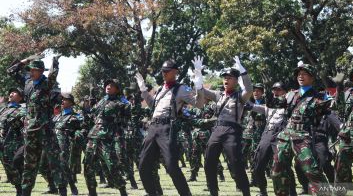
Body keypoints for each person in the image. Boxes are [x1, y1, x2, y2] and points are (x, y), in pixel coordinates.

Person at [135, 59, 203, 196]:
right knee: (143, 164)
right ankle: (151, 193)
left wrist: (199, 84)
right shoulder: (160, 89)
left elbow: (199, 104)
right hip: (153, 127)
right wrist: (143, 90)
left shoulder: (181, 89)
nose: (164, 73)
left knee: (171, 166)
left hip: (167, 128)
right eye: (162, 71)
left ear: (175, 72)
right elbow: (152, 105)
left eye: (167, 71)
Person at [7, 56, 67, 196]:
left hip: (45, 129)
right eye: (30, 70)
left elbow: (53, 74)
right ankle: (25, 192)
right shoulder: (27, 83)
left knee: (54, 162)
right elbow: (10, 71)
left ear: (40, 71)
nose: (31, 72)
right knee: (29, 163)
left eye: (34, 70)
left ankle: (62, 190)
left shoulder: (46, 84)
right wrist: (26, 60)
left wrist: (55, 62)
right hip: (31, 131)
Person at [193, 56, 253, 196]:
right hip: (217, 129)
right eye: (224, 77)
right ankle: (213, 191)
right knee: (208, 162)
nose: (226, 80)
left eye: (230, 77)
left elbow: (249, 89)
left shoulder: (240, 96)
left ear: (236, 81)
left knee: (236, 164)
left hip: (232, 130)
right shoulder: (218, 95)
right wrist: (198, 77)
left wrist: (243, 72)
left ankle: (246, 192)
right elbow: (202, 92)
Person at [271, 63, 330, 196]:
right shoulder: (291, 94)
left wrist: (338, 89)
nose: (300, 76)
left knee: (311, 171)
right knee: (276, 171)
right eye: (299, 74)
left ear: (312, 77)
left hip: (303, 136)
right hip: (286, 135)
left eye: (304, 74)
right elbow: (272, 103)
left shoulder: (319, 96)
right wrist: (274, 91)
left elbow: (329, 108)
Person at [83, 79, 129, 196]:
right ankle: (92, 192)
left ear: (117, 89)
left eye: (112, 85)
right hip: (93, 136)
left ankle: (122, 190)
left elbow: (125, 119)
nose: (108, 86)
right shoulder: (100, 102)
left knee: (112, 165)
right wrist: (88, 103)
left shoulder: (120, 104)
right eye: (107, 85)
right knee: (88, 165)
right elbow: (91, 114)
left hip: (106, 137)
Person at [335, 64, 353, 193]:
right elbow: (338, 108)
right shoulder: (347, 93)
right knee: (341, 167)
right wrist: (338, 86)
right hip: (348, 135)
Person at [0, 88, 26, 196]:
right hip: (1, 142)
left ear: (20, 97)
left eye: (15, 92)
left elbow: (25, 123)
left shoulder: (22, 110)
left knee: (13, 168)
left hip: (13, 143)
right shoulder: (2, 110)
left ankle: (20, 190)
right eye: (10, 92)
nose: (11, 93)